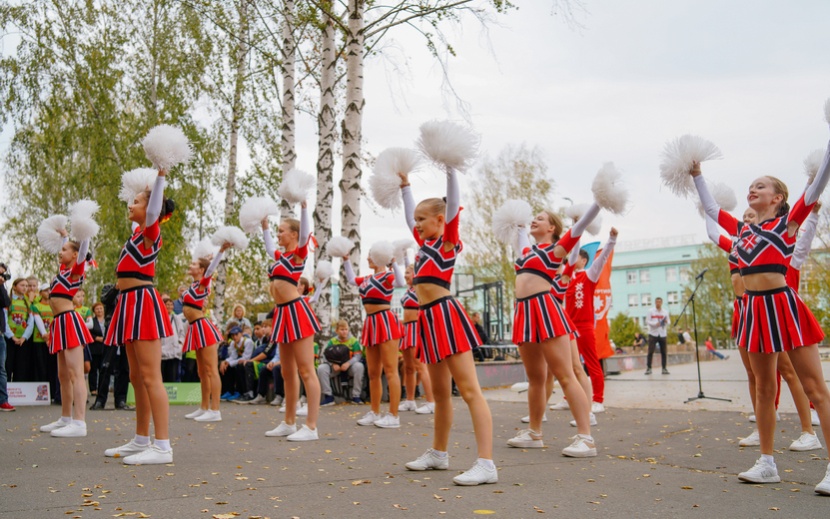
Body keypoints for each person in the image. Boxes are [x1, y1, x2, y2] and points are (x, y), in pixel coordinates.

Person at [692, 158, 830, 493]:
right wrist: (696, 174)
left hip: (783, 305)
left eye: (761, 185)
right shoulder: (742, 231)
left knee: (815, 388)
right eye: (750, 185)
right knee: (764, 389)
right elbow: (711, 210)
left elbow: (815, 190)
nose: (753, 189)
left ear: (777, 198)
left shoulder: (787, 225)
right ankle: (767, 463)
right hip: (753, 311)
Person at [397, 157, 496, 486]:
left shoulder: (447, 241)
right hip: (427, 321)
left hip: (446, 314)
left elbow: (452, 204)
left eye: (423, 220)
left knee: (469, 390)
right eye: (416, 221)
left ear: (441, 221)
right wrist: (405, 186)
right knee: (439, 394)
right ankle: (439, 453)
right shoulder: (424, 247)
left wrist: (450, 167)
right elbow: (411, 213)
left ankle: (486, 463)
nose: (417, 225)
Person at [508, 205, 602, 457]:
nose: (533, 221)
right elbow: (520, 237)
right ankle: (534, 433)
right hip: (524, 314)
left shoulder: (556, 250)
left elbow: (580, 226)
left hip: (546, 311)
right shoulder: (526, 251)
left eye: (540, 219)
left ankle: (586, 438)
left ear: (552, 228)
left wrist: (599, 202)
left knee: (565, 375)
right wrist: (516, 225)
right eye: (533, 219)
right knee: (536, 378)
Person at [103, 169, 175, 465]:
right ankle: (142, 439)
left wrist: (159, 178)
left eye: (136, 201)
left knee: (150, 376)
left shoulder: (150, 231)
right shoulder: (135, 235)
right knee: (135, 376)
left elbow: (155, 209)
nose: (129, 205)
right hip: (128, 303)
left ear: (150, 209)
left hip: (143, 303)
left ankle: (163, 446)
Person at [258, 198, 322, 441]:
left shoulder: (298, 254)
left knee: (306, 370)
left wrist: (304, 208)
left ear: (294, 234)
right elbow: (267, 247)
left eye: (281, 231)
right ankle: (289, 422)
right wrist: (264, 225)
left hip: (297, 313)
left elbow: (306, 235)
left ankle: (311, 426)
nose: (278, 234)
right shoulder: (281, 257)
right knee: (287, 371)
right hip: (282, 315)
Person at [38, 226, 95, 438]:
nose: (60, 252)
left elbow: (83, 250)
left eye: (64, 250)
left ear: (74, 255)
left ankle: (80, 422)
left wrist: (84, 231)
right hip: (59, 323)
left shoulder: (76, 271)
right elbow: (69, 249)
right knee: (62, 375)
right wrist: (64, 236)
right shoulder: (62, 271)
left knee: (75, 374)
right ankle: (65, 418)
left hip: (69, 321)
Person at [342, 241, 405, 428]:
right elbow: (352, 280)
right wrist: (346, 260)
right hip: (370, 322)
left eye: (371, 255)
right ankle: (375, 412)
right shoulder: (368, 279)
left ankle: (394, 415)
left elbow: (401, 283)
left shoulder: (388, 276)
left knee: (390, 370)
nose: (368, 258)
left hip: (385, 321)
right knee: (373, 372)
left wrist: (393, 262)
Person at [564, 229, 618, 413]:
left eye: (576, 256)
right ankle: (568, 397)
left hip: (585, 326)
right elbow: (572, 248)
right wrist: (575, 226)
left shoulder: (590, 274)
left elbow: (602, 258)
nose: (571, 259)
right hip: (568, 327)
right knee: (569, 365)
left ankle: (598, 400)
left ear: (584, 260)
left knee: (591, 362)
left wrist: (612, 239)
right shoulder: (567, 277)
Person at [181, 242, 231, 422]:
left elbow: (210, 272)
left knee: (211, 369)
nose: (190, 265)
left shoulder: (203, 284)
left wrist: (220, 252)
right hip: (195, 328)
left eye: (194, 264)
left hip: (203, 327)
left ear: (201, 270)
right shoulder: (194, 285)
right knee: (202, 371)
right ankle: (204, 407)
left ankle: (215, 410)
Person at [397, 265, 435, 414]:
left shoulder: (420, 288)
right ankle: (410, 401)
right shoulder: (409, 290)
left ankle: (431, 402)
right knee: (408, 368)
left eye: (408, 273)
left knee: (420, 366)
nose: (405, 275)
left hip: (416, 328)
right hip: (406, 329)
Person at [90, 284, 131, 411]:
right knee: (105, 366)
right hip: (112, 328)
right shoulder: (110, 288)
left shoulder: (130, 289)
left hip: (126, 329)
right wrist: (116, 288)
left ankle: (121, 400)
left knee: (125, 367)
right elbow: (105, 300)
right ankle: (100, 400)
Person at [317, 320, 365, 405]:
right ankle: (329, 397)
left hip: (349, 367)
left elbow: (358, 356)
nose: (344, 331)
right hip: (336, 368)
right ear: (337, 331)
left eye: (346, 329)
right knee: (321, 368)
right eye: (342, 329)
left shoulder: (353, 341)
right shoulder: (332, 341)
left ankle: (356, 396)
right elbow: (325, 356)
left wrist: (348, 363)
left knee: (359, 366)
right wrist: (333, 364)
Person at [6, 278, 34, 382]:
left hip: (23, 340)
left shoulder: (28, 302)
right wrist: (11, 336)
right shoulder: (8, 300)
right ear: (14, 287)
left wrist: (24, 337)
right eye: (22, 285)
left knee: (21, 367)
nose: (25, 288)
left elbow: (31, 322)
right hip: (9, 338)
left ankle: (20, 394)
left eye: (26, 286)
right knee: (7, 365)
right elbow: (4, 320)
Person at [30, 283, 55, 389]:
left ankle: (53, 392)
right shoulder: (36, 306)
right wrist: (45, 335)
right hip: (39, 340)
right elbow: (37, 320)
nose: (48, 292)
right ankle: (41, 392)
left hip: (54, 340)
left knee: (52, 366)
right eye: (46, 290)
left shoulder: (54, 306)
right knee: (40, 366)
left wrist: (51, 334)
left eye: (50, 290)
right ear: (40, 293)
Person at [219, 326, 253, 401]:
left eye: (236, 334)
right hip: (239, 361)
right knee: (225, 366)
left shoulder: (248, 342)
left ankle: (241, 392)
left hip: (249, 361)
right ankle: (229, 391)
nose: (234, 337)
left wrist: (230, 363)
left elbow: (246, 357)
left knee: (239, 366)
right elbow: (233, 356)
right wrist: (226, 362)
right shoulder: (233, 343)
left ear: (241, 334)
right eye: (233, 335)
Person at [160, 295, 185, 383]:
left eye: (171, 305)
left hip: (174, 351)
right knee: (161, 375)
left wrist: (180, 344)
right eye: (167, 304)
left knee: (172, 376)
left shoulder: (176, 318)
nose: (169, 307)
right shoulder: (159, 318)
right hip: (161, 351)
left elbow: (182, 333)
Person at [0, 263, 15, 411]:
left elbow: (6, 302)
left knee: (1, 369)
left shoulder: (1, 288)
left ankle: (3, 400)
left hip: (0, 334)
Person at [85, 302, 106, 396]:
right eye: (97, 309)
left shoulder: (107, 320)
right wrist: (96, 338)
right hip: (94, 347)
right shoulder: (91, 321)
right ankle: (93, 389)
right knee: (93, 369)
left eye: (101, 308)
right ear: (94, 311)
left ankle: (102, 388)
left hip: (105, 348)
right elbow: (88, 332)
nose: (99, 310)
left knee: (103, 369)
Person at [645, 297, 670, 375]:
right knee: (650, 351)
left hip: (662, 333)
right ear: (655, 303)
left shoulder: (665, 312)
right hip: (653, 333)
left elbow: (669, 321)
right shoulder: (651, 311)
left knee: (664, 352)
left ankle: (664, 368)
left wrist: (666, 321)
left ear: (661, 303)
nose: (658, 303)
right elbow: (647, 321)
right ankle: (649, 368)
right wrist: (654, 324)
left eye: (659, 302)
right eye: (657, 302)